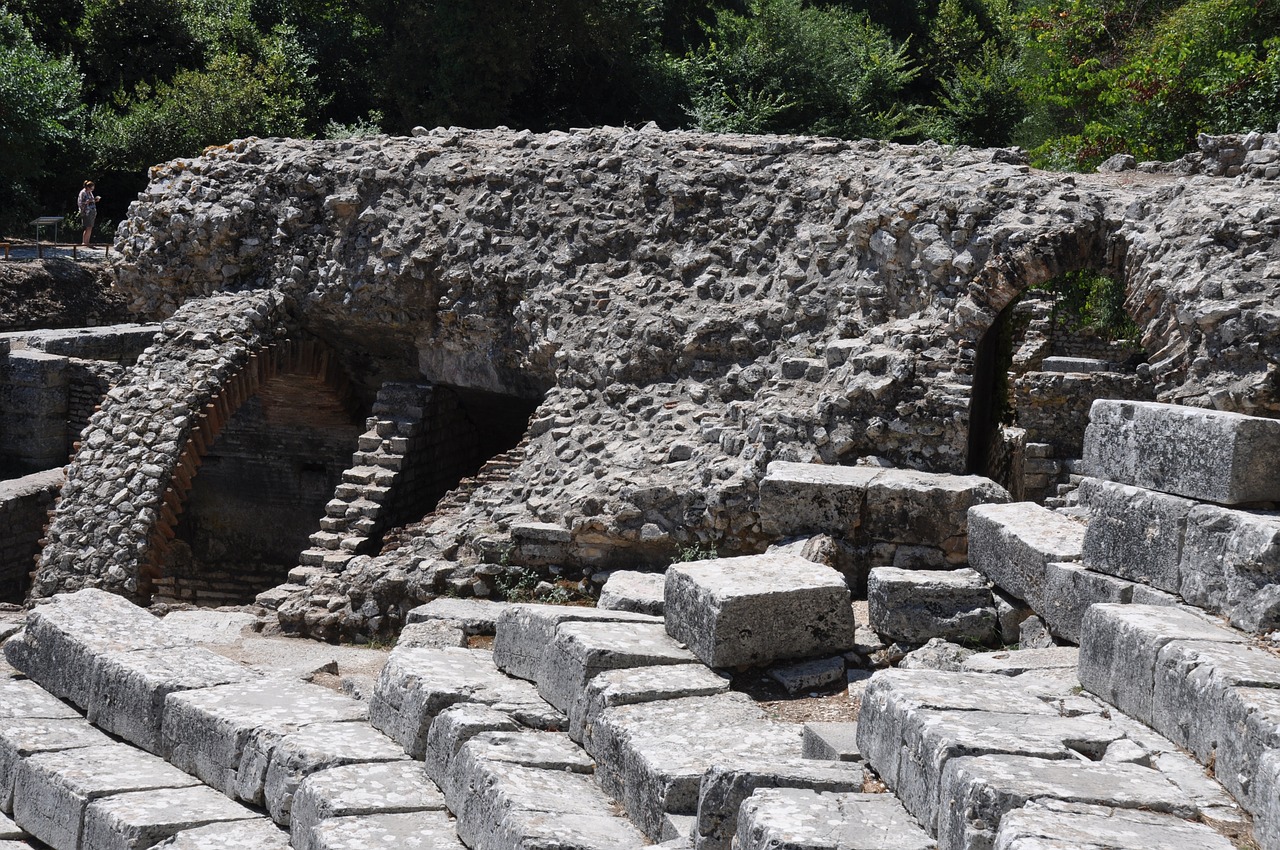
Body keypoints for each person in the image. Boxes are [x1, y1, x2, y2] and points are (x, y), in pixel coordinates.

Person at [78, 181, 100, 246]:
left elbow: (92, 201)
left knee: (90, 227)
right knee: (87, 226)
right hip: (86, 211)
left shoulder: (90, 193)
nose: (93, 188)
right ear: (88, 187)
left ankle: (87, 242)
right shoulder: (83, 192)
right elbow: (82, 202)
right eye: (91, 187)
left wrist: (95, 200)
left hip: (92, 211)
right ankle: (84, 242)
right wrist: (89, 201)